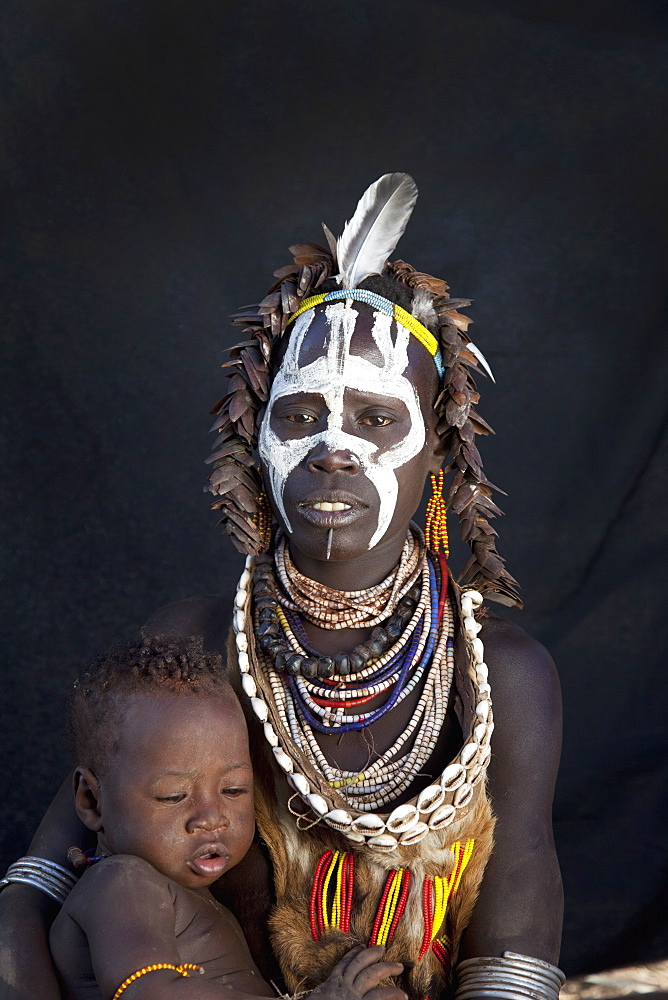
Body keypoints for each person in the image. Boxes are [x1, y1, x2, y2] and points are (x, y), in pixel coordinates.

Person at [0, 174, 564, 1000]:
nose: (334, 449)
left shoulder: (500, 677)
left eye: (375, 419)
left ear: (437, 451)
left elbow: (516, 930)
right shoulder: (198, 644)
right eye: (300, 416)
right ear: (254, 439)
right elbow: (41, 884)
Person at [49, 634, 406, 1000]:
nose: (211, 817)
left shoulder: (181, 893)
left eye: (233, 790)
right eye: (173, 795)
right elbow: (147, 992)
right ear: (92, 801)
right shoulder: (121, 883)